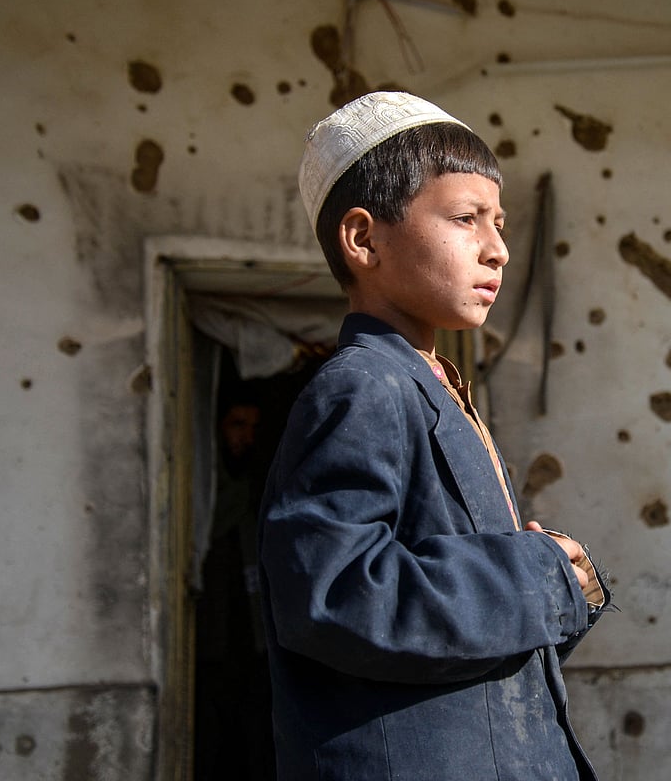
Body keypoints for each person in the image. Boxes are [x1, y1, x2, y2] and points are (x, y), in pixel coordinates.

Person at [257, 91, 611, 780]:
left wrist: (570, 591)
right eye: (465, 219)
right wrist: (538, 577)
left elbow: (448, 634)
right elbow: (335, 595)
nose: (499, 249)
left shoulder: (437, 390)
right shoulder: (363, 386)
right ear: (363, 240)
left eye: (499, 222)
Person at [195, 389, 275, 779]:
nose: (245, 437)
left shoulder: (260, 486)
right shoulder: (203, 491)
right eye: (237, 425)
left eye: (253, 427)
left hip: (254, 640)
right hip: (212, 640)